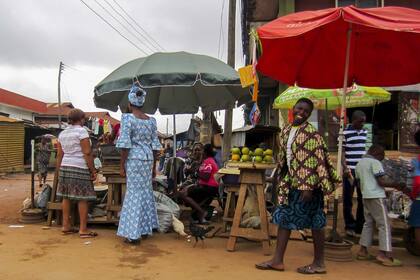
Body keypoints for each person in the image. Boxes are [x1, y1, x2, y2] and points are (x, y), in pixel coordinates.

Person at [256, 98, 340, 274]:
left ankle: (319, 263)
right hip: (291, 183)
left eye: (306, 111)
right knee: (284, 218)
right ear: (293, 108)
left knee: (316, 222)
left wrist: (307, 186)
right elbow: (287, 157)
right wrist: (280, 177)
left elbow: (312, 160)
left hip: (309, 187)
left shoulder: (311, 133)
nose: (301, 112)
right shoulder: (287, 129)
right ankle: (277, 261)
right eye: (299, 108)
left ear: (309, 114)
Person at [117, 85, 161, 244]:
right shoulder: (151, 121)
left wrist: (122, 165)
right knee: (145, 193)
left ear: (129, 103)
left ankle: (133, 234)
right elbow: (155, 146)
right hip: (148, 159)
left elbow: (125, 145)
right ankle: (144, 229)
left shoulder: (127, 119)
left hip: (134, 160)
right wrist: (154, 166)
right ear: (142, 103)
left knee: (134, 194)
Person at [355, 144, 404, 266]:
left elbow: (358, 181)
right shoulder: (375, 162)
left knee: (368, 223)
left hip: (365, 196)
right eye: (382, 156)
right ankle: (385, 255)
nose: (383, 158)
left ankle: (363, 250)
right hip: (377, 196)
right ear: (378, 154)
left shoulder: (360, 163)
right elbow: (381, 181)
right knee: (384, 225)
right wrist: (396, 185)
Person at [56, 109, 97, 238]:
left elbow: (59, 155)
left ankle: (66, 226)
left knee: (66, 197)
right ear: (81, 119)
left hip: (65, 167)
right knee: (82, 198)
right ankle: (83, 229)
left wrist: (58, 171)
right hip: (79, 166)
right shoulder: (82, 131)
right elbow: (87, 152)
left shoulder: (62, 133)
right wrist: (93, 170)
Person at [178, 143, 219, 224]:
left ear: (205, 152)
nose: (201, 152)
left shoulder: (209, 161)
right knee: (185, 191)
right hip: (205, 186)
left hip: (209, 188)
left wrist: (196, 173)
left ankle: (202, 212)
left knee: (183, 193)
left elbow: (205, 177)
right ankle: (198, 216)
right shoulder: (207, 161)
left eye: (202, 150)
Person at [342, 110, 367, 236]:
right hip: (350, 171)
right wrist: (345, 167)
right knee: (348, 199)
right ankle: (349, 225)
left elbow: (364, 149)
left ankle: (360, 225)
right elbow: (341, 151)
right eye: (360, 121)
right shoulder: (344, 132)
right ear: (354, 120)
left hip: (362, 171)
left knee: (363, 199)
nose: (363, 124)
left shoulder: (364, 132)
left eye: (364, 121)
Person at [407, 129, 420, 260]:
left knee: (418, 225)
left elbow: (417, 181)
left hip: (419, 198)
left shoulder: (417, 161)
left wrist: (413, 195)